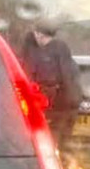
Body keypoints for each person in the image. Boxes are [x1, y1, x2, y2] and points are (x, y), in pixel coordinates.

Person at [19, 21, 82, 154]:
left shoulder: (40, 52)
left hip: (52, 106)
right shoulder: (59, 51)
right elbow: (69, 78)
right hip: (51, 105)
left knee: (48, 142)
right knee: (54, 143)